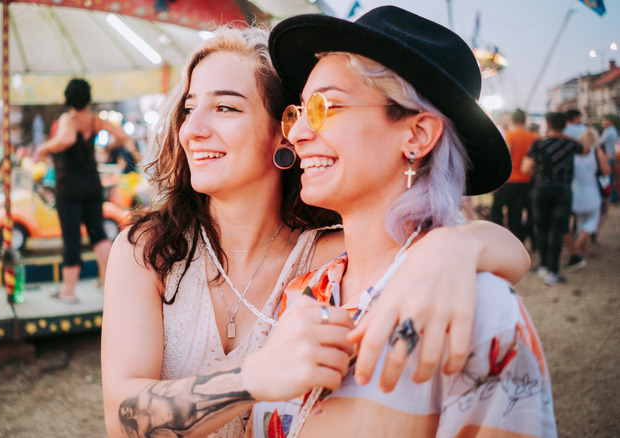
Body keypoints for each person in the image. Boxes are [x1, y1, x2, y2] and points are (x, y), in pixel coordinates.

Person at [101, 24, 530, 438]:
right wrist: (251, 377)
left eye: (226, 107)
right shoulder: (154, 250)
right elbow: (121, 420)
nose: (191, 129)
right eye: (189, 108)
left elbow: (478, 251)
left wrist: (456, 243)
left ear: (281, 134)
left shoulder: (329, 263)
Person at [246, 7, 555, 437]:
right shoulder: (303, 293)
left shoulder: (475, 309)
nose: (296, 133)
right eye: (299, 110)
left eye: (326, 106)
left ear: (417, 135)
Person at [35, 78, 129, 303]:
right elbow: (123, 135)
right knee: (99, 234)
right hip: (92, 184)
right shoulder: (94, 121)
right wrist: (109, 147)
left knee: (72, 239)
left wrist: (44, 148)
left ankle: (68, 292)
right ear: (88, 98)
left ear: (68, 98)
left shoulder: (70, 118)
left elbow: (66, 139)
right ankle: (108, 285)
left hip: (69, 187)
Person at [522, 112, 585, 285]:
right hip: (563, 190)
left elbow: (526, 168)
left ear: (548, 124)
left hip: (542, 189)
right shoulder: (570, 144)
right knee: (557, 230)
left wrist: (540, 176)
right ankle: (553, 272)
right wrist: (565, 136)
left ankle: (543, 265)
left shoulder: (539, 144)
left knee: (541, 227)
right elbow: (585, 149)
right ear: (565, 125)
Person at [564, 128, 611, 268]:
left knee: (579, 222)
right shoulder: (596, 152)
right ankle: (576, 248)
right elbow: (606, 171)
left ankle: (584, 251)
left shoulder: (573, 153)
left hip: (576, 192)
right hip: (592, 192)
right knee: (592, 222)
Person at [490, 109, 537, 244]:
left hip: (509, 180)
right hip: (525, 181)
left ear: (513, 120)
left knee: (496, 211)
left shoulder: (510, 135)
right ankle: (518, 242)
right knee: (515, 215)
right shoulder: (531, 137)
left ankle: (498, 239)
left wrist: (496, 181)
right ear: (525, 120)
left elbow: (505, 158)